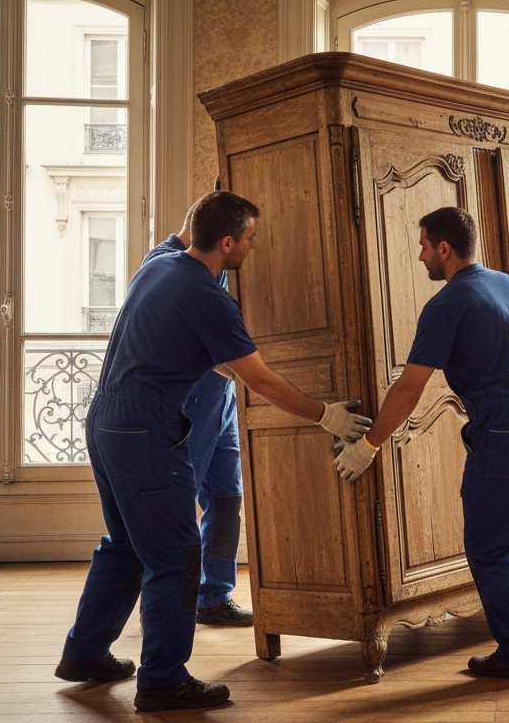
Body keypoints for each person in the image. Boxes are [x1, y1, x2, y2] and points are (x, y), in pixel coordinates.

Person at [54, 190, 371, 711]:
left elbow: (222, 362)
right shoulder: (208, 296)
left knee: (128, 543)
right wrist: (325, 414)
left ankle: (84, 652)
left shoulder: (158, 265)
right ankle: (163, 679)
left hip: (106, 421)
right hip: (146, 432)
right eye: (250, 239)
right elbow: (259, 379)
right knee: (176, 556)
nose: (254, 246)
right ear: (227, 243)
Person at [333, 206, 509, 681]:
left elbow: (409, 387)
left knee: (488, 547)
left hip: (506, 427)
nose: (421, 255)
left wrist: (369, 445)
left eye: (424, 245)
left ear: (444, 248)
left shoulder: (446, 305)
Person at [140, 203, 251, 627]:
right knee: (178, 501)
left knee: (227, 497)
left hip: (220, 397)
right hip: (191, 399)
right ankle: (168, 604)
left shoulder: (219, 265)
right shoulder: (167, 261)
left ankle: (214, 595)